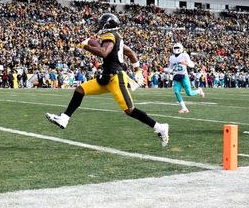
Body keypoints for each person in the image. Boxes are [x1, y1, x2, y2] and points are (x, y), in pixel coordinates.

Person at [45, 13, 169, 147]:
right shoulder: (116, 38)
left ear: (107, 24)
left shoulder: (110, 36)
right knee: (80, 90)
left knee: (129, 110)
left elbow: (104, 52)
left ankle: (160, 127)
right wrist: (137, 69)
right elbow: (130, 53)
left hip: (116, 78)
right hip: (106, 77)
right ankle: (64, 118)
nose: (99, 25)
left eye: (101, 23)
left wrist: (85, 46)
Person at [168, 42, 204, 114]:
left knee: (189, 93)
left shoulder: (184, 55)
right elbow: (169, 68)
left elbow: (192, 65)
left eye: (177, 48)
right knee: (176, 92)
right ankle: (184, 108)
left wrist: (186, 63)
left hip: (184, 76)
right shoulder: (171, 58)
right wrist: (172, 70)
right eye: (175, 48)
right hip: (176, 76)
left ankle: (199, 91)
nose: (176, 49)